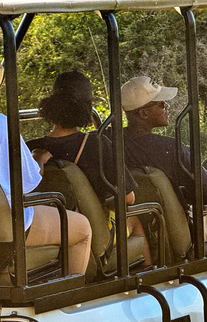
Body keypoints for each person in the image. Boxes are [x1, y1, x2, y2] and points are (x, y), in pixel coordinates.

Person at [121, 76, 207, 247]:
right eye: (161, 104)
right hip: (180, 227)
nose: (167, 107)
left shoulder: (112, 142)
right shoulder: (171, 148)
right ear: (143, 113)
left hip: (146, 225)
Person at [27, 70, 151, 264]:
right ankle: (149, 277)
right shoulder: (96, 144)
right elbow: (128, 198)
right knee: (135, 218)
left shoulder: (30, 147)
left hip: (52, 232)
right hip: (94, 235)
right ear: (86, 108)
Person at [0, 60, 91, 276]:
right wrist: (39, 161)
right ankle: (71, 299)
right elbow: (30, 181)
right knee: (82, 228)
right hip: (2, 228)